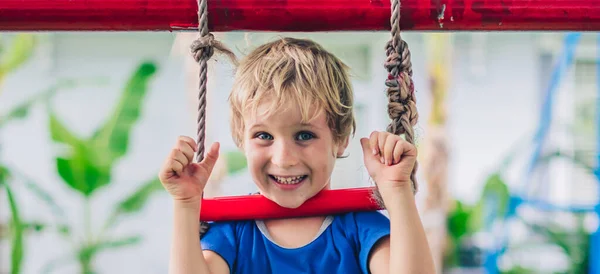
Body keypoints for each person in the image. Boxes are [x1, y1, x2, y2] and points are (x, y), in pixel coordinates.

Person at [159, 37, 435, 274]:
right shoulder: (235, 233)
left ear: (340, 139)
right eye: (264, 136)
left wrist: (397, 190)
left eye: (304, 135)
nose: (283, 159)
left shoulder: (360, 228)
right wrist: (185, 204)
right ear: (241, 140)